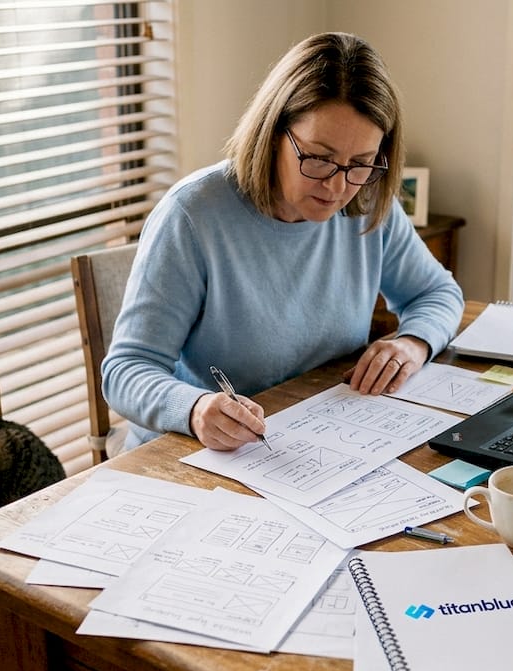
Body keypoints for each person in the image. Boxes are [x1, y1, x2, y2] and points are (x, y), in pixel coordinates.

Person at [101, 31, 464, 452]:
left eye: (361, 164)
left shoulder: (365, 201)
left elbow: (438, 293)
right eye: (319, 157)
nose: (337, 185)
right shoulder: (193, 215)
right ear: (273, 132)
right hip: (195, 454)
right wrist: (196, 407)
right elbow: (126, 371)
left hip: (319, 437)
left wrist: (412, 343)